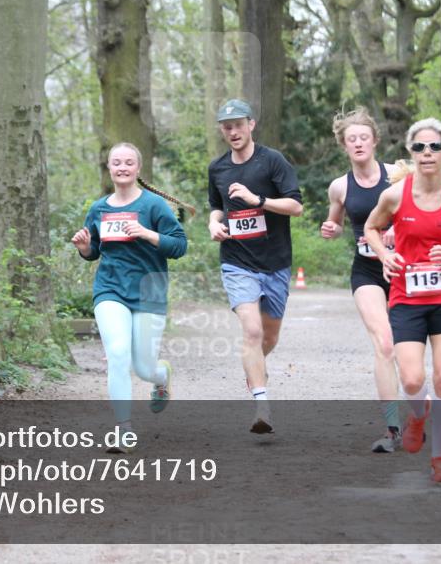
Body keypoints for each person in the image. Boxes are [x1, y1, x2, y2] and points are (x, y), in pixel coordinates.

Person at [363, 118, 441, 482]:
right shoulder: (394, 196)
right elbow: (371, 228)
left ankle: (440, 458)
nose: (426, 153)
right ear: (410, 152)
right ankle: (418, 415)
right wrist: (385, 257)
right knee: (414, 380)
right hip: (406, 297)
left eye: (434, 147)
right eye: (419, 147)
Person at [72, 143, 192, 453]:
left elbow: (179, 246)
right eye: (116, 163)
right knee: (117, 352)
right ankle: (123, 431)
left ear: (138, 169)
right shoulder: (98, 209)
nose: (122, 167)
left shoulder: (154, 206)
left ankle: (161, 375)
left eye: (128, 162)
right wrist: (85, 248)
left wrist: (146, 233)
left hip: (149, 291)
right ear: (109, 168)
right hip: (110, 290)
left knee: (143, 367)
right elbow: (94, 251)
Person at [207, 99, 303, 434]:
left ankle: (257, 366)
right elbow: (217, 208)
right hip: (237, 262)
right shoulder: (217, 168)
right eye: (226, 126)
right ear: (222, 130)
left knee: (269, 336)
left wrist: (257, 201)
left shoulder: (272, 161)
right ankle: (262, 406)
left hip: (275, 262)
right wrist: (213, 224)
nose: (233, 131)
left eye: (238, 124)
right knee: (251, 331)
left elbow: (296, 206)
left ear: (251, 125)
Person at [319, 108, 404, 453]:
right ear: (344, 145)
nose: (358, 143)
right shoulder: (340, 186)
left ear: (374, 141)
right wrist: (332, 229)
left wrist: (400, 228)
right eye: (351, 139)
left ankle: (420, 408)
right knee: (384, 344)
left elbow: (420, 207)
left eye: (363, 137)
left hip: (403, 269)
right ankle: (393, 429)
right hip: (367, 270)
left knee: (408, 349)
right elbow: (336, 222)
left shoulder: (398, 175)